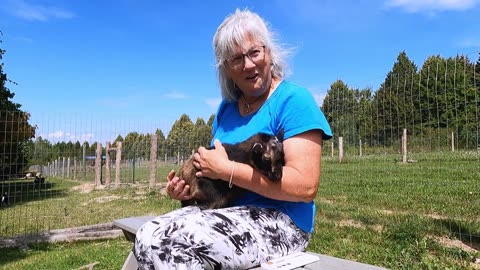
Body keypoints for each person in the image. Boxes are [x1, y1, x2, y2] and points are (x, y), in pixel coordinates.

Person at [134, 8, 332, 269]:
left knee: (168, 243)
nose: (248, 64)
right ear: (226, 69)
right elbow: (216, 180)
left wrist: (228, 170)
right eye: (236, 58)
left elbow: (306, 187)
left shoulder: (294, 100)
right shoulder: (226, 109)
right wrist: (189, 190)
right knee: (146, 235)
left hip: (282, 223)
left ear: (269, 52)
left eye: (254, 52)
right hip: (226, 212)